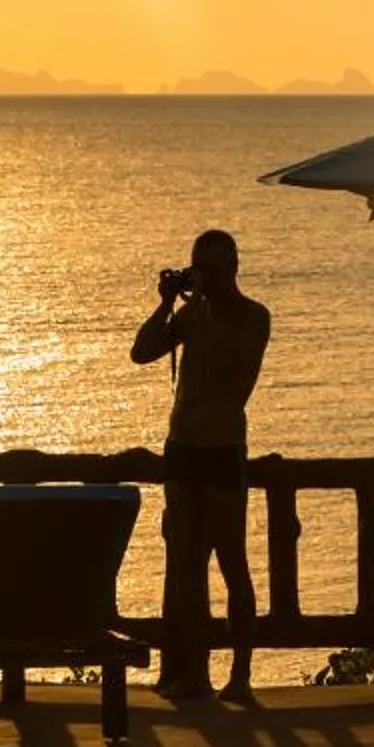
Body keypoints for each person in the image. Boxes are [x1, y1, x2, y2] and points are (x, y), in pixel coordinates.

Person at [132, 227, 272, 702]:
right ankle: (195, 673)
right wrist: (166, 305)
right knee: (187, 567)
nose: (205, 277)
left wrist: (202, 316)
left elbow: (239, 361)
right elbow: (142, 351)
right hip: (183, 450)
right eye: (199, 268)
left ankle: (241, 677)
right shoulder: (189, 316)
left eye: (212, 269)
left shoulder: (254, 317)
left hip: (223, 449)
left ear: (233, 267)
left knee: (233, 563)